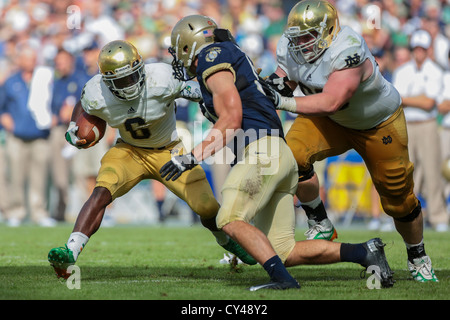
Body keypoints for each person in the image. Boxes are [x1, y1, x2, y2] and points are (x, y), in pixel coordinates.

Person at [165, 14, 394, 290]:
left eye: (179, 50)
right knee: (283, 250)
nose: (178, 58)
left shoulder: (212, 56)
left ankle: (282, 281)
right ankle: (364, 252)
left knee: (228, 218)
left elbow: (232, 118)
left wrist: (191, 156)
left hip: (263, 152)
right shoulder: (232, 56)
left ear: (189, 45)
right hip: (278, 154)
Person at [47, 40, 255, 279]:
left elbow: (203, 91)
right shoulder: (96, 92)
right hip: (129, 151)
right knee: (101, 191)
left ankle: (226, 241)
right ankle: (70, 251)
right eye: (120, 81)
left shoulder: (163, 78)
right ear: (107, 80)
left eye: (132, 76)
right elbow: (83, 106)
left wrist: (224, 99)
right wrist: (76, 127)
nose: (129, 84)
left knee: (207, 206)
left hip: (169, 150)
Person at [262, 0, 437, 282]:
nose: (301, 43)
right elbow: (285, 79)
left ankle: (417, 256)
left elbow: (332, 100)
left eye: (308, 35)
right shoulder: (289, 45)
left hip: (377, 123)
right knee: (291, 153)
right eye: (297, 36)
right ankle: (319, 220)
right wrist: (264, 90)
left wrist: (281, 101)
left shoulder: (348, 46)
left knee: (398, 200)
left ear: (329, 31)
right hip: (331, 121)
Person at [393, 29, 447, 233]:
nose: (419, 53)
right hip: (407, 124)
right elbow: (400, 100)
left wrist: (408, 99)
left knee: (433, 173)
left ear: (428, 50)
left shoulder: (435, 71)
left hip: (427, 124)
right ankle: (404, 217)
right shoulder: (402, 71)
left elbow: (429, 102)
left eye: (422, 49)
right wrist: (417, 99)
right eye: (416, 48)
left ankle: (438, 216)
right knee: (405, 173)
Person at [0, 43, 56, 227]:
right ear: (20, 60)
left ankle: (39, 212)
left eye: (33, 58)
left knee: (39, 177)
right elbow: (3, 105)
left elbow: (56, 100)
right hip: (17, 136)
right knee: (15, 176)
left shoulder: (45, 78)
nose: (30, 62)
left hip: (40, 135)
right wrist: (5, 118)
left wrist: (55, 115)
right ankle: (16, 211)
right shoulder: (11, 80)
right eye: (27, 58)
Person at [49, 49, 87, 222]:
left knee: (81, 173)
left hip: (78, 129)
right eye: (57, 62)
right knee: (60, 176)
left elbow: (87, 103)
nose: (59, 65)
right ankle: (60, 211)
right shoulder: (57, 82)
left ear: (71, 61)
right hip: (60, 130)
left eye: (62, 61)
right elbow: (54, 107)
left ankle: (86, 212)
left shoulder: (80, 79)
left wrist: (72, 113)